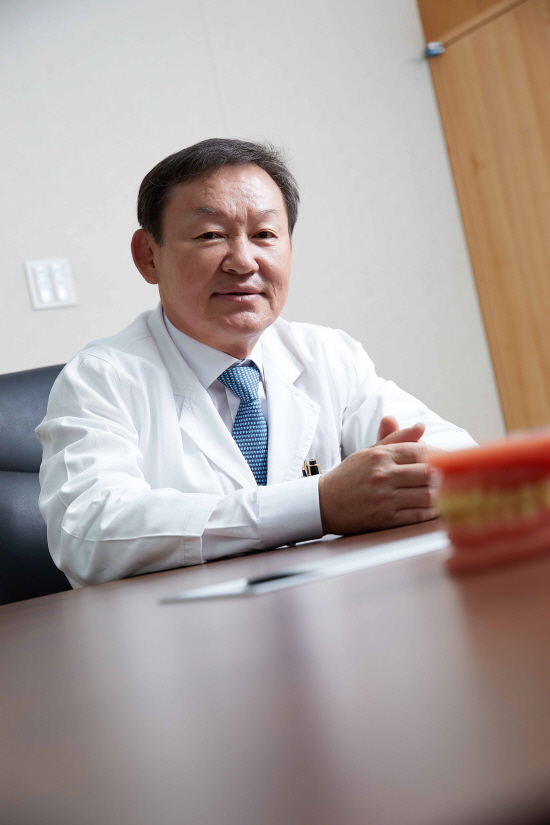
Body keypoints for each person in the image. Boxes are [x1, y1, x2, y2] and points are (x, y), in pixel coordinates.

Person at [37, 138, 476, 588]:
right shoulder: (102, 377)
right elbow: (87, 533)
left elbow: (462, 463)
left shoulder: (327, 354)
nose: (244, 262)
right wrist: (319, 504)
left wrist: (420, 476)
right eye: (210, 235)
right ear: (148, 256)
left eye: (265, 235)